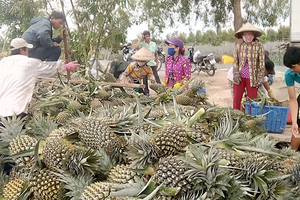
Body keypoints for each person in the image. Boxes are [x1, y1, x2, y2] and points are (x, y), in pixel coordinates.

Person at [0, 38, 79, 120]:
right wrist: (65, 66)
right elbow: (49, 68)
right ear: (22, 49)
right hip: (16, 111)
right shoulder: (29, 63)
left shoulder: (3, 62)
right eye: (27, 49)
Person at [232, 22, 265, 110]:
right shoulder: (238, 46)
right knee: (236, 100)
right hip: (240, 77)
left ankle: (251, 120)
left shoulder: (259, 46)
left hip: (253, 78)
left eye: (249, 34)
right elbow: (235, 61)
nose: (247, 36)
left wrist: (260, 77)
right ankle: (235, 118)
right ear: (242, 36)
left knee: (252, 102)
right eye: (245, 34)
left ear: (253, 35)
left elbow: (261, 63)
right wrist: (235, 73)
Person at [283, 47, 300, 150]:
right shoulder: (289, 74)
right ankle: (292, 157)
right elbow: (293, 99)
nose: (291, 70)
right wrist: (294, 122)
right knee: (298, 128)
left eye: (293, 67)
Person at [135, 31, 161, 95]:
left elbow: (156, 53)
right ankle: (146, 92)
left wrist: (157, 61)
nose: (148, 38)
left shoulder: (153, 44)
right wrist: (140, 39)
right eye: (146, 36)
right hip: (145, 64)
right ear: (144, 37)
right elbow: (136, 47)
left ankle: (160, 90)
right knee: (145, 79)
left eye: (149, 36)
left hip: (152, 63)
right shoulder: (142, 44)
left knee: (156, 77)